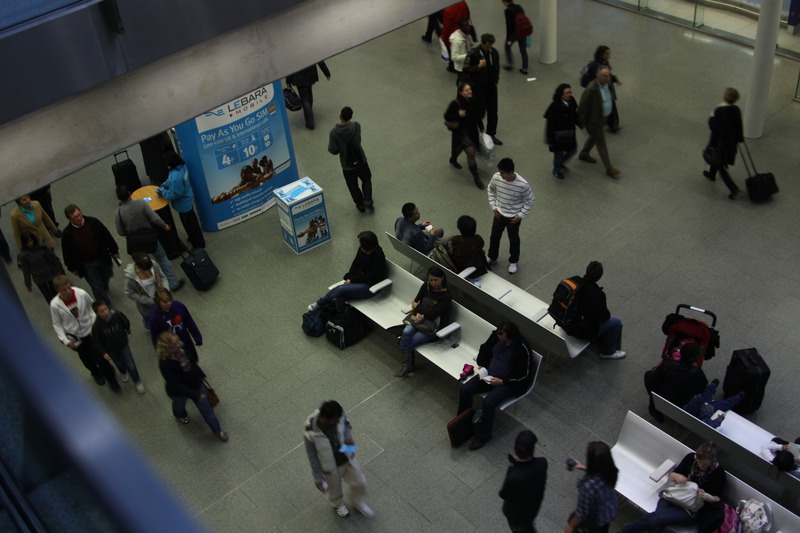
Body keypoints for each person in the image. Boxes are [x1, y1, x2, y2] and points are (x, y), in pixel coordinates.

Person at [458, 322, 534, 450]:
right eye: (501, 341)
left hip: (508, 382)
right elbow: (484, 348)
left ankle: (484, 435)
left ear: (512, 337)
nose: (503, 344)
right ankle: (463, 422)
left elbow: (524, 376)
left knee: (488, 403)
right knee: (465, 389)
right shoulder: (496, 336)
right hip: (489, 374)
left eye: (505, 342)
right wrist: (482, 364)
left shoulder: (522, 348)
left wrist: (502, 382)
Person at [621, 442, 726, 533]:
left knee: (658, 518)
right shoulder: (690, 458)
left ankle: (626, 531)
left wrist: (710, 498)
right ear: (696, 457)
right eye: (699, 462)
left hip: (692, 509)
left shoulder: (718, 473)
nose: (701, 466)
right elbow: (672, 476)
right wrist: (678, 477)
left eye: (705, 464)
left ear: (712, 461)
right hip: (674, 496)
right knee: (658, 521)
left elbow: (718, 499)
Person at [303, 400, 373, 518]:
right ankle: (337, 504)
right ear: (325, 419)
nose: (338, 422)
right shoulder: (311, 430)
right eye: (335, 421)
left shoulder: (338, 415)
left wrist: (348, 439)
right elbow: (312, 455)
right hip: (330, 465)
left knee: (360, 483)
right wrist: (318, 477)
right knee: (334, 489)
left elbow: (346, 426)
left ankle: (357, 501)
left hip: (347, 456)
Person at [50, 275, 120, 390]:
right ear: (58, 290)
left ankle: (111, 378)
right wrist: (65, 340)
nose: (68, 291)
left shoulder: (81, 294)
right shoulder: (55, 305)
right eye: (64, 290)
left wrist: (94, 325)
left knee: (101, 356)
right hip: (75, 337)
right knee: (86, 358)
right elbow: (57, 324)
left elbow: (93, 309)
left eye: (69, 288)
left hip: (90, 332)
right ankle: (95, 372)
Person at [156, 331, 228, 442]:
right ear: (166, 349)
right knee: (179, 405)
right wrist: (195, 395)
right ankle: (180, 415)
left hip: (195, 384)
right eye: (174, 345)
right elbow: (175, 384)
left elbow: (192, 364)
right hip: (179, 392)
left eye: (177, 342)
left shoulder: (182, 349)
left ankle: (218, 431)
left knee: (207, 411)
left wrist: (201, 374)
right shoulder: (165, 363)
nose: (178, 345)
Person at [114, 185, 182, 291]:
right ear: (129, 193)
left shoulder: (118, 213)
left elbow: (121, 232)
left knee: (143, 264)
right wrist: (165, 226)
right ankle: (173, 283)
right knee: (162, 258)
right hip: (149, 237)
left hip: (135, 242)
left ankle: (153, 288)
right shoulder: (141, 203)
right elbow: (154, 218)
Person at [308, 231, 386, 315]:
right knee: (339, 297)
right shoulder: (362, 250)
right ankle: (343, 316)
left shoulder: (379, 256)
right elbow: (355, 263)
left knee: (340, 289)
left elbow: (370, 277)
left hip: (370, 286)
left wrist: (352, 280)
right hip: (359, 280)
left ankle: (320, 303)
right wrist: (349, 276)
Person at [395, 266, 452, 378]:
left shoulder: (446, 296)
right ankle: (408, 367)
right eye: (430, 280)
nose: (433, 283)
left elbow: (433, 314)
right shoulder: (425, 286)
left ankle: (408, 367)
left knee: (405, 341)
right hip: (418, 319)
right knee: (406, 334)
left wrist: (419, 308)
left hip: (432, 326)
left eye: (436, 280)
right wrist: (420, 309)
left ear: (442, 278)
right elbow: (415, 302)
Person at [61, 204, 121, 308]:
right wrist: (72, 268)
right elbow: (67, 253)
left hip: (102, 256)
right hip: (87, 264)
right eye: (75, 217)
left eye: (79, 214)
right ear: (69, 219)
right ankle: (106, 306)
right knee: (96, 286)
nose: (79, 218)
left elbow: (106, 235)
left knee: (107, 273)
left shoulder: (93, 222)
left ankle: (104, 285)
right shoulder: (67, 234)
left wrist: (114, 250)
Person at [487, 158, 534, 274]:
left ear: (511, 172)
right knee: (494, 237)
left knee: (513, 240)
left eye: (503, 173)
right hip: (499, 214)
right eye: (500, 172)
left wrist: (521, 215)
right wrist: (493, 206)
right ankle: (492, 257)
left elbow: (530, 200)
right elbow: (490, 189)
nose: (500, 175)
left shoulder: (523, 185)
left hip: (513, 217)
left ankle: (513, 261)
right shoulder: (496, 177)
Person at [570, 261, 626, 360]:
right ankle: (608, 352)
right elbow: (605, 316)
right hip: (582, 327)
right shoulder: (598, 295)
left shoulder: (574, 281)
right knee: (616, 322)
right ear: (599, 277)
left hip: (569, 320)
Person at [92, 300, 144, 394]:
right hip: (111, 349)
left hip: (123, 344)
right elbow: (97, 341)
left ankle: (137, 381)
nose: (105, 312)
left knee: (130, 364)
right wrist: (103, 352)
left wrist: (127, 328)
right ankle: (123, 372)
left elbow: (125, 321)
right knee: (119, 363)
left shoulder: (116, 315)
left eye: (106, 309)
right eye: (102, 311)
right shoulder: (97, 326)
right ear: (97, 313)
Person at [499, 430, 548, 533]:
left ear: (514, 447)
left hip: (517, 515)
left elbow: (504, 494)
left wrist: (513, 466)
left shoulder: (514, 476)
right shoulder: (542, 463)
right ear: (533, 449)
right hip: (532, 510)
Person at [645, 343, 707, 422]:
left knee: (648, 374)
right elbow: (701, 389)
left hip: (661, 398)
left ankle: (654, 407)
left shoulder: (667, 364)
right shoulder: (698, 374)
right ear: (695, 359)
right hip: (681, 404)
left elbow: (654, 382)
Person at [565, 441, 619, 533]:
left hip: (593, 520)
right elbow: (601, 471)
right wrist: (581, 466)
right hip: (607, 513)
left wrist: (571, 526)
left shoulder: (588, 487)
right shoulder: (612, 471)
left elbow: (581, 512)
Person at [328, 106, 373, 212]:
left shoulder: (334, 133)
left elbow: (333, 150)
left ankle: (360, 204)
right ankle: (367, 201)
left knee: (352, 185)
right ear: (351, 116)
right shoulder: (357, 126)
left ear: (340, 116)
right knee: (366, 180)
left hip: (347, 165)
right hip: (361, 160)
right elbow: (358, 140)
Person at [578, 66, 621, 177]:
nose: (608, 78)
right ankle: (609, 168)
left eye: (608, 76)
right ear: (598, 76)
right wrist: (581, 123)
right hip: (594, 121)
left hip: (604, 118)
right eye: (605, 76)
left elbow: (610, 96)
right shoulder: (591, 89)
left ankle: (584, 153)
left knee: (595, 137)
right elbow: (582, 107)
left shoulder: (609, 84)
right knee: (601, 143)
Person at [703, 87, 744, 199]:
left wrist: (711, 116)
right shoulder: (736, 109)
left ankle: (733, 188)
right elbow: (739, 126)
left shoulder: (720, 110)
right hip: (731, 142)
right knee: (717, 158)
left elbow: (713, 126)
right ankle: (711, 174)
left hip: (719, 142)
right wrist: (739, 139)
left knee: (719, 162)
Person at [160, 151, 205, 250]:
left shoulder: (176, 177)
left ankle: (198, 245)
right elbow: (171, 180)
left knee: (190, 225)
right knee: (192, 223)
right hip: (187, 200)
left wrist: (163, 192)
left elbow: (176, 193)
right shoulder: (181, 167)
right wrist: (165, 184)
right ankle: (196, 240)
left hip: (183, 205)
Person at [444, 81, 485, 189]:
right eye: (467, 90)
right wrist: (458, 114)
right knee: (470, 153)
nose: (469, 91)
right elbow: (447, 116)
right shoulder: (455, 103)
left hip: (472, 131)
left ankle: (453, 158)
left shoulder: (473, 100)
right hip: (461, 133)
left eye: (470, 89)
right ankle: (476, 178)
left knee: (460, 149)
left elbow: (477, 116)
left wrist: (481, 127)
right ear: (461, 92)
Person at [464, 33, 503, 145]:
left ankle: (491, 134)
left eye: (490, 46)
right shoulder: (473, 54)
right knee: (478, 112)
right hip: (478, 89)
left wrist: (495, 80)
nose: (489, 48)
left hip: (491, 87)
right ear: (482, 43)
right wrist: (478, 67)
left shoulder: (494, 52)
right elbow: (465, 70)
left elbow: (496, 67)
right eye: (487, 46)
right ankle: (475, 134)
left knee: (493, 112)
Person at [149, 288, 202, 363]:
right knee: (183, 364)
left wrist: (197, 337)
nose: (169, 303)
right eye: (165, 302)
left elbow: (189, 321)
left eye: (170, 300)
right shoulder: (154, 318)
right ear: (158, 302)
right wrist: (160, 354)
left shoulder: (178, 306)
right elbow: (155, 337)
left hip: (185, 339)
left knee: (193, 359)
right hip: (172, 347)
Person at [544, 84, 582, 179]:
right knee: (558, 155)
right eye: (567, 93)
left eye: (570, 92)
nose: (569, 94)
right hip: (558, 137)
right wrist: (550, 140)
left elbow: (575, 115)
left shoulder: (571, 101)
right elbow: (550, 125)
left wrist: (580, 124)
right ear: (561, 94)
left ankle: (561, 163)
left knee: (572, 150)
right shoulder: (554, 106)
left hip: (569, 133)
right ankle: (557, 170)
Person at [124, 252, 169, 329]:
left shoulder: (153, 265)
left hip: (160, 299)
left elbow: (163, 277)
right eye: (146, 270)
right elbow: (130, 293)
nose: (149, 270)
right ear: (138, 267)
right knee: (150, 323)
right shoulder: (131, 278)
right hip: (147, 306)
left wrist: (166, 291)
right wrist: (148, 301)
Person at [581, 46, 621, 131]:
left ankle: (613, 124)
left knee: (610, 103)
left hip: (605, 86)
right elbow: (585, 79)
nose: (609, 55)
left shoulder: (604, 63)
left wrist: (614, 79)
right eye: (607, 53)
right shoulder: (594, 66)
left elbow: (608, 75)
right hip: (598, 89)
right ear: (601, 54)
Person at [18, 231, 64, 303]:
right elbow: (26, 271)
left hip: (50, 273)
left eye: (31, 241)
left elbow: (54, 259)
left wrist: (60, 271)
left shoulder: (43, 247)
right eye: (27, 242)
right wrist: (28, 285)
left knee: (56, 292)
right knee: (48, 296)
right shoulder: (23, 256)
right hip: (39, 278)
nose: (30, 244)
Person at [286, 61, 331, 130]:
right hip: (311, 74)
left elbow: (291, 66)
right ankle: (309, 111)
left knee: (304, 99)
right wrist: (326, 73)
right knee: (309, 93)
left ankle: (310, 123)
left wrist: (288, 81)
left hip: (299, 77)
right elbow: (320, 61)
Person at [448, 215, 489, 280]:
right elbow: (481, 245)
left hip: (463, 270)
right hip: (480, 269)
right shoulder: (478, 239)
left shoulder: (456, 240)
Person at [441, 1, 471, 73]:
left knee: (453, 52)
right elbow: (468, 15)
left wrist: (444, 38)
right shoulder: (462, 2)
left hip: (452, 34)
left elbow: (447, 27)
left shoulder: (448, 10)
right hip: (463, 32)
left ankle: (453, 68)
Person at [502, 0, 529, 75]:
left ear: (504, 2)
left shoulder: (507, 11)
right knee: (523, 50)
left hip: (514, 35)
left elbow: (509, 26)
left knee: (507, 47)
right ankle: (525, 69)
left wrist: (508, 39)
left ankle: (510, 65)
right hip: (522, 32)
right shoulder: (519, 7)